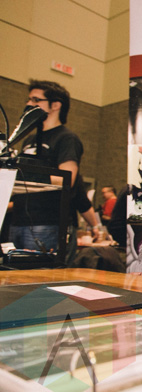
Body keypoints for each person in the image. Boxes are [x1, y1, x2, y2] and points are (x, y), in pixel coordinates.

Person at [8, 79, 88, 261]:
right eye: (29, 99)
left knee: (40, 274)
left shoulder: (66, 138)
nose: (29, 104)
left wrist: (32, 177)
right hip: (18, 221)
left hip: (47, 223)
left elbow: (67, 179)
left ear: (55, 105)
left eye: (36, 100)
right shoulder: (28, 140)